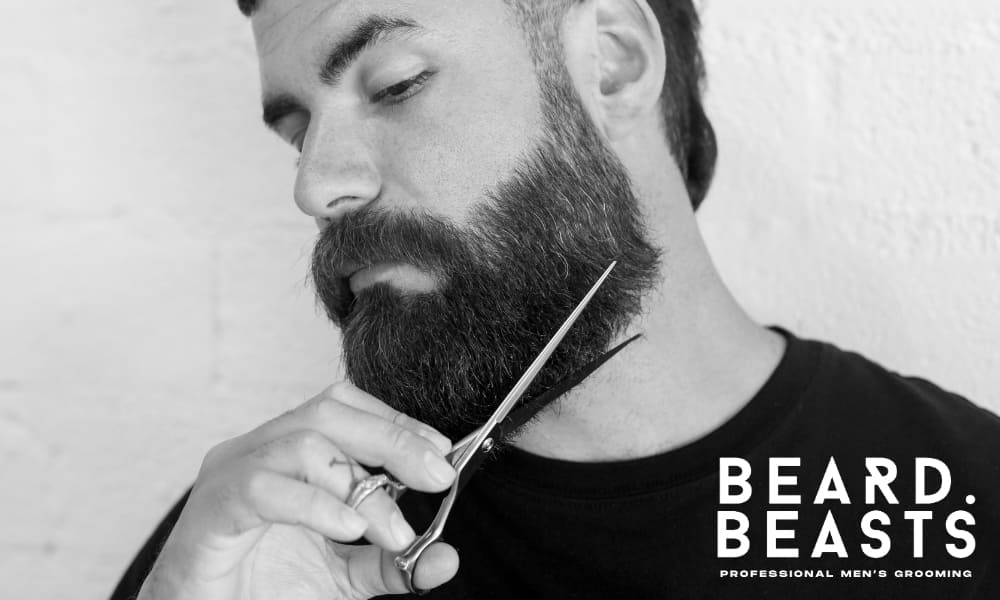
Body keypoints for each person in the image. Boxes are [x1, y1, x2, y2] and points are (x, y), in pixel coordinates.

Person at [112, 0, 1000, 598]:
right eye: (298, 131)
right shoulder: (265, 548)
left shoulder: (969, 505)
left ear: (610, 65)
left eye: (395, 85)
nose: (315, 186)